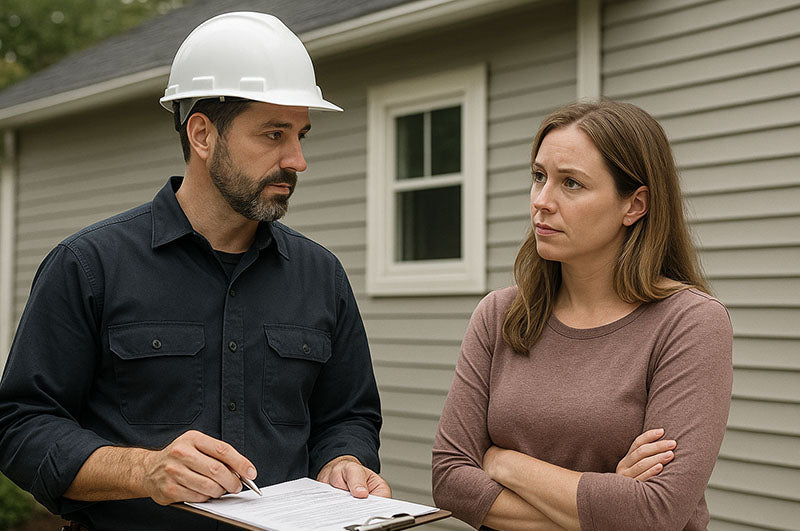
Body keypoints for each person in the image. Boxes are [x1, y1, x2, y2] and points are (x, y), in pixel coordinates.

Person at [0, 12, 388, 531]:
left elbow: (348, 416)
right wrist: (143, 470)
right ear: (202, 134)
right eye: (274, 134)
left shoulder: (321, 277)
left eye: (301, 135)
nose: (297, 160)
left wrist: (343, 460)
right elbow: (20, 426)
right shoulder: (88, 266)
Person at [431, 100, 732, 530]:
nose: (542, 201)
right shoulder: (500, 315)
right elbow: (450, 480)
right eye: (539, 176)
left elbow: (655, 512)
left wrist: (504, 462)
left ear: (635, 205)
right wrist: (604, 501)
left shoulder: (690, 323)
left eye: (571, 183)